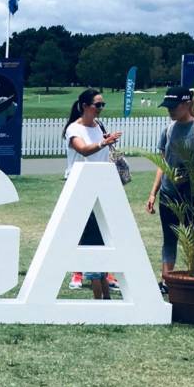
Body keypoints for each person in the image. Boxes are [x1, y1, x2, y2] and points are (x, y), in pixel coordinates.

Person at [145, 86, 194, 293]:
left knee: (193, 237)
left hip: (191, 194)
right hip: (168, 194)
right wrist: (153, 192)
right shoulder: (168, 129)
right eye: (167, 107)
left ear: (186, 104)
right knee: (169, 238)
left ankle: (193, 278)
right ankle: (166, 281)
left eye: (173, 107)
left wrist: (192, 173)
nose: (170, 111)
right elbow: (162, 163)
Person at [62, 89, 123, 300]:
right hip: (80, 188)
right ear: (85, 106)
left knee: (102, 236)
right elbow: (83, 150)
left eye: (102, 105)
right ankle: (88, 280)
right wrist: (103, 142)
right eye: (98, 105)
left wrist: (105, 142)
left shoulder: (99, 126)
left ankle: (103, 283)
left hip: (101, 186)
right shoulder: (73, 129)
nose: (101, 109)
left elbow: (101, 156)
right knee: (89, 237)